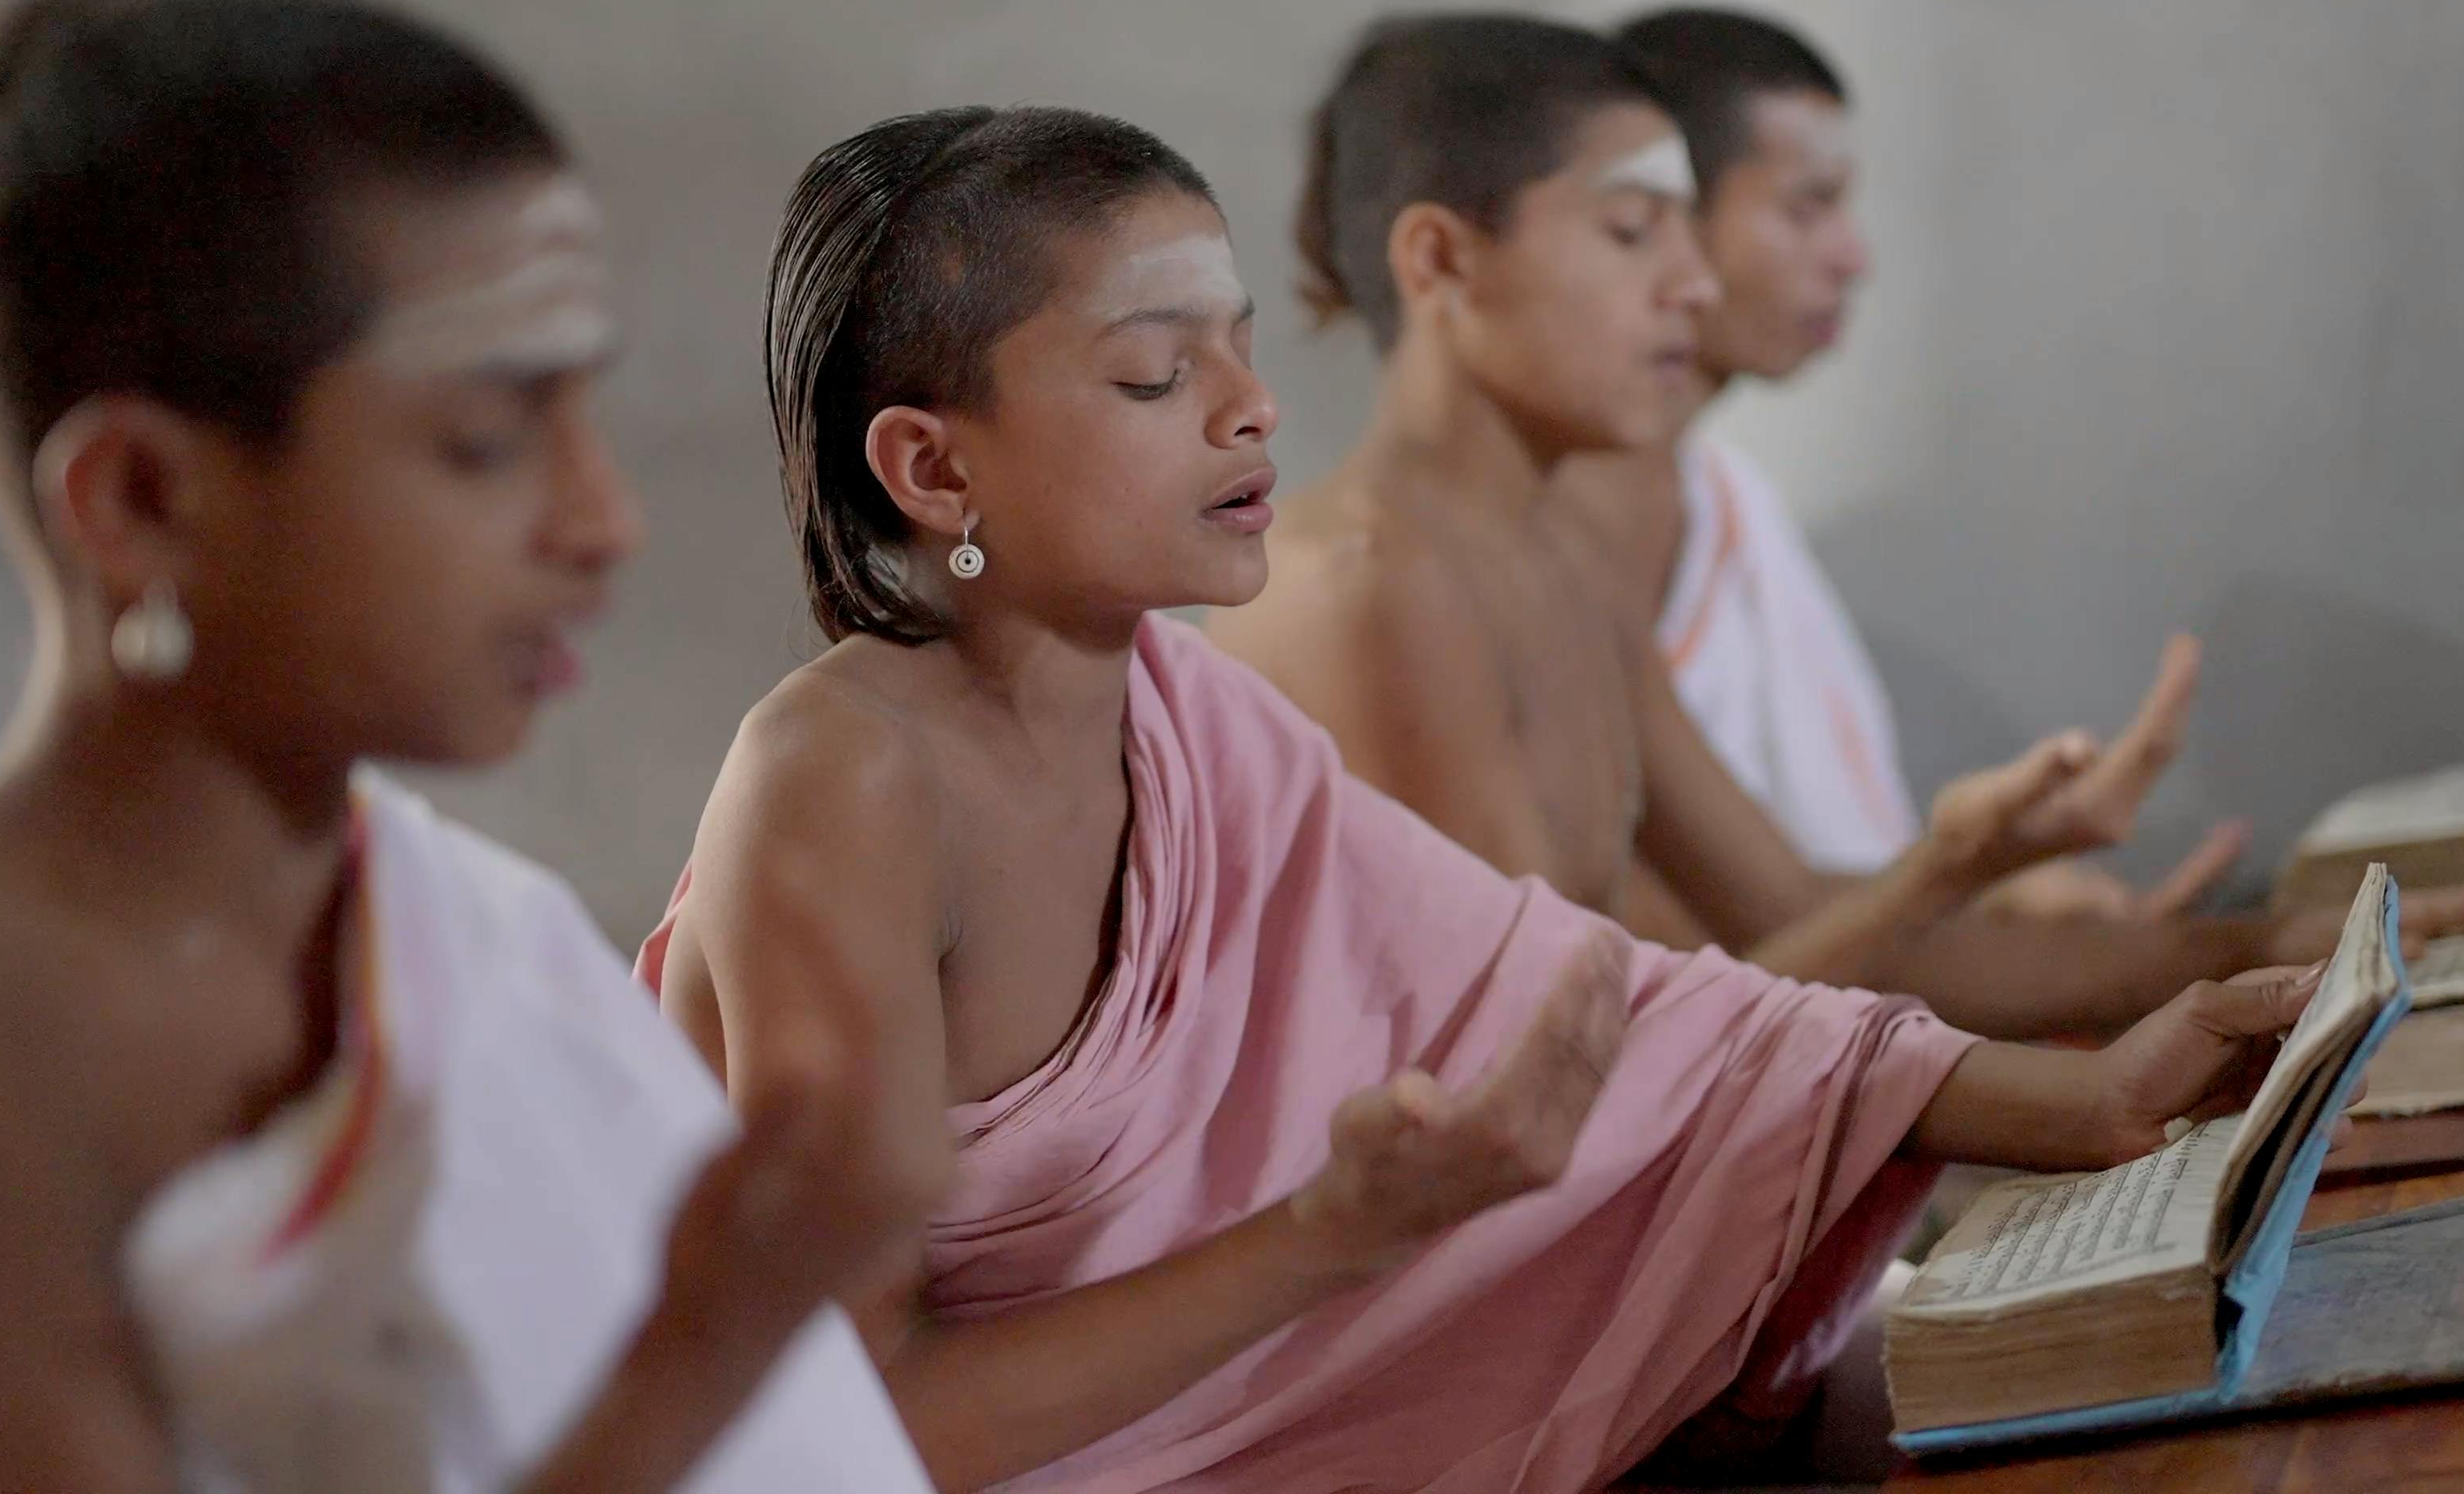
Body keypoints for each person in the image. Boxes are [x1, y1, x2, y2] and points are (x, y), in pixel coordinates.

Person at [643, 101, 2341, 1491]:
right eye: (1161, 377)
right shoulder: (840, 779)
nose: (1253, 411)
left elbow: (1644, 1015)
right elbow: (853, 1429)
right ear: (935, 466)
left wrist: (2102, 1102)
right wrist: (1332, 1235)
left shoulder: (1192, 725)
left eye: (1241, 350)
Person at [0, 0, 937, 1492]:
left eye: (584, 417)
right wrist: (709, 1341)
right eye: (486, 440)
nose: (604, 519)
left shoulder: (471, 929)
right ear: (146, 498)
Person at [1209, 13, 2464, 1041]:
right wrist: (1967, 886)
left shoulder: (1553, 568)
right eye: (1634, 233)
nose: (1689, 283)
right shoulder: (1372, 587)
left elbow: (1804, 931)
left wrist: (2269, 954)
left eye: (1685, 232)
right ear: (1442, 261)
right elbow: (1560, 1060)